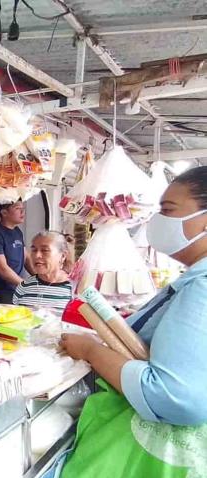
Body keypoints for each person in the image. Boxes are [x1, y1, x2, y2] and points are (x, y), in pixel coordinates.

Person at [60, 167, 207, 425]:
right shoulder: (192, 281)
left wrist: (90, 350)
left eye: (168, 210)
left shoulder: (202, 289)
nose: (157, 220)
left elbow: (175, 398)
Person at [0, 200, 33, 304]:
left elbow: (26, 257)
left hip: (16, 289)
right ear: (4, 212)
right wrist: (26, 285)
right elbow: (2, 269)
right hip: (0, 292)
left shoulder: (17, 231)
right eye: (18, 208)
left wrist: (40, 279)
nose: (23, 212)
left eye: (23, 208)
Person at [13, 231, 73, 315]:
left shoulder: (74, 289)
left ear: (62, 256)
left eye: (45, 250)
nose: (37, 255)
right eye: (34, 250)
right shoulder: (24, 287)